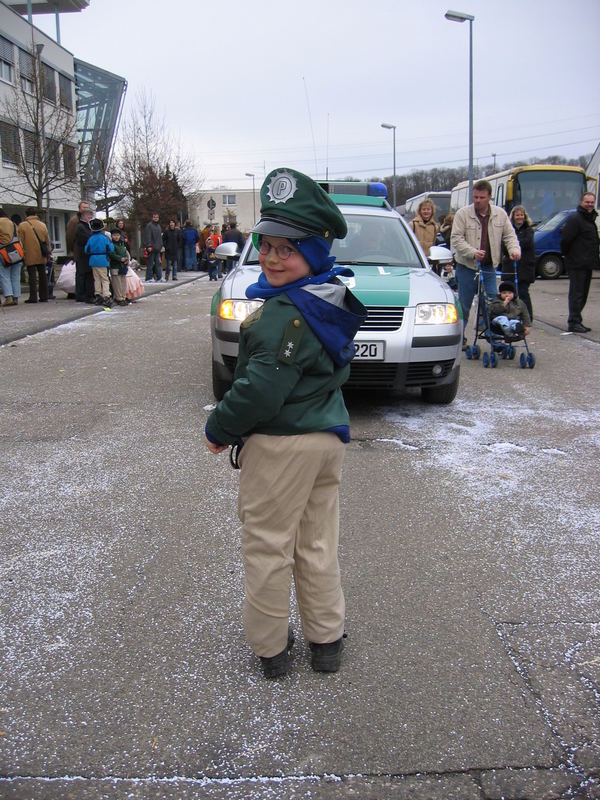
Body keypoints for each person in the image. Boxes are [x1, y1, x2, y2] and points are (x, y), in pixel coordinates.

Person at [205, 167, 366, 679]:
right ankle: (326, 639)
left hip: (281, 447)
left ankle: (272, 649)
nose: (273, 258)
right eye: (267, 246)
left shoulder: (282, 316)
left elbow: (259, 391)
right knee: (316, 541)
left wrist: (219, 429)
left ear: (313, 254)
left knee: (269, 545)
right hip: (326, 439)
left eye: (288, 249)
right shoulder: (327, 299)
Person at [450, 180, 521, 345]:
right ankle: (459, 339)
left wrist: (514, 250)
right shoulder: (463, 214)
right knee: (464, 306)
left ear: (489, 197)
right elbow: (456, 239)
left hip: (489, 267)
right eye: (475, 197)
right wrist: (472, 252)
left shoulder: (500, 214)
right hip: (467, 267)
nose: (477, 200)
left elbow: (510, 236)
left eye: (482, 197)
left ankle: (494, 335)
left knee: (493, 303)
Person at [560, 192, 599, 333]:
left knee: (583, 294)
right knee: (577, 294)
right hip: (577, 263)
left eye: (592, 202)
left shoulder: (590, 219)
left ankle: (577, 320)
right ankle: (573, 322)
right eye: (587, 202)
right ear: (581, 202)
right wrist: (569, 256)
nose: (589, 204)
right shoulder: (575, 219)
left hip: (587, 263)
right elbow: (566, 240)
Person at [501, 205, 536, 321]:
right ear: (513, 216)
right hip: (510, 266)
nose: (519, 217)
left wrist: (515, 244)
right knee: (509, 293)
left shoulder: (529, 230)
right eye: (517, 215)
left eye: (521, 215)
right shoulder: (508, 230)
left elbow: (526, 243)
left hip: (524, 266)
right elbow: (504, 246)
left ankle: (528, 317)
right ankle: (511, 314)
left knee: (523, 293)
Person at [17, 208, 52, 304]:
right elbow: (47, 240)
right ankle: (44, 296)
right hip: (41, 253)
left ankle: (33, 297)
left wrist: (22, 253)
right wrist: (48, 252)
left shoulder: (22, 225)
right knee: (42, 275)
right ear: (35, 214)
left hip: (29, 253)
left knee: (32, 275)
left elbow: (20, 241)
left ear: (26, 214)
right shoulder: (42, 225)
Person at [84, 218, 114, 306]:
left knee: (96, 279)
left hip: (93, 260)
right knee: (104, 279)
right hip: (103, 259)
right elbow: (111, 249)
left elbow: (86, 249)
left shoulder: (90, 239)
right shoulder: (105, 238)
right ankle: (106, 296)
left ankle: (98, 295)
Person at [0, 208, 24, 306]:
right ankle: (16, 298)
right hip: (17, 251)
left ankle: (8, 297)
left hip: (3, 252)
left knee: (4, 275)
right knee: (15, 275)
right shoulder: (13, 223)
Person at [74, 206, 95, 303]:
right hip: (83, 255)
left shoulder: (85, 226)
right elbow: (85, 239)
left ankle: (87, 294)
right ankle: (82, 295)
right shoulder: (80, 227)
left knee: (87, 275)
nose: (91, 219)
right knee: (83, 275)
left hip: (86, 254)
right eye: (90, 217)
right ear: (85, 216)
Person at [108, 228, 130, 306]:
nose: (116, 237)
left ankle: (123, 297)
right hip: (115, 266)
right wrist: (120, 258)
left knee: (123, 282)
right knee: (117, 283)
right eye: (114, 235)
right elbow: (111, 254)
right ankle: (119, 298)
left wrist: (126, 259)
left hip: (123, 266)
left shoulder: (122, 244)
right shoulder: (111, 244)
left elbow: (125, 253)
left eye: (117, 235)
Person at [143, 212, 163, 282]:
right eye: (154, 217)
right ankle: (148, 278)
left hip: (157, 248)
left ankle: (159, 277)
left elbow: (160, 237)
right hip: (152, 248)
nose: (156, 218)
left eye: (157, 217)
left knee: (158, 264)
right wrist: (148, 245)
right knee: (150, 264)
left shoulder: (158, 226)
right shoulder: (149, 226)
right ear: (152, 217)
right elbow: (148, 236)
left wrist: (161, 245)